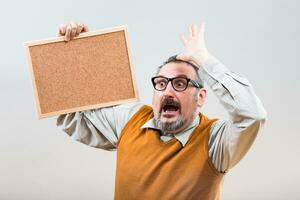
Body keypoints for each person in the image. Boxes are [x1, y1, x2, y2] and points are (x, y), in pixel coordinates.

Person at [56, 22, 267, 200]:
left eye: (180, 83)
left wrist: (203, 59)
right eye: (161, 83)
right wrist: (74, 53)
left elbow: (253, 115)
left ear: (200, 97)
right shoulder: (131, 119)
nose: (167, 91)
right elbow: (71, 115)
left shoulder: (215, 141)